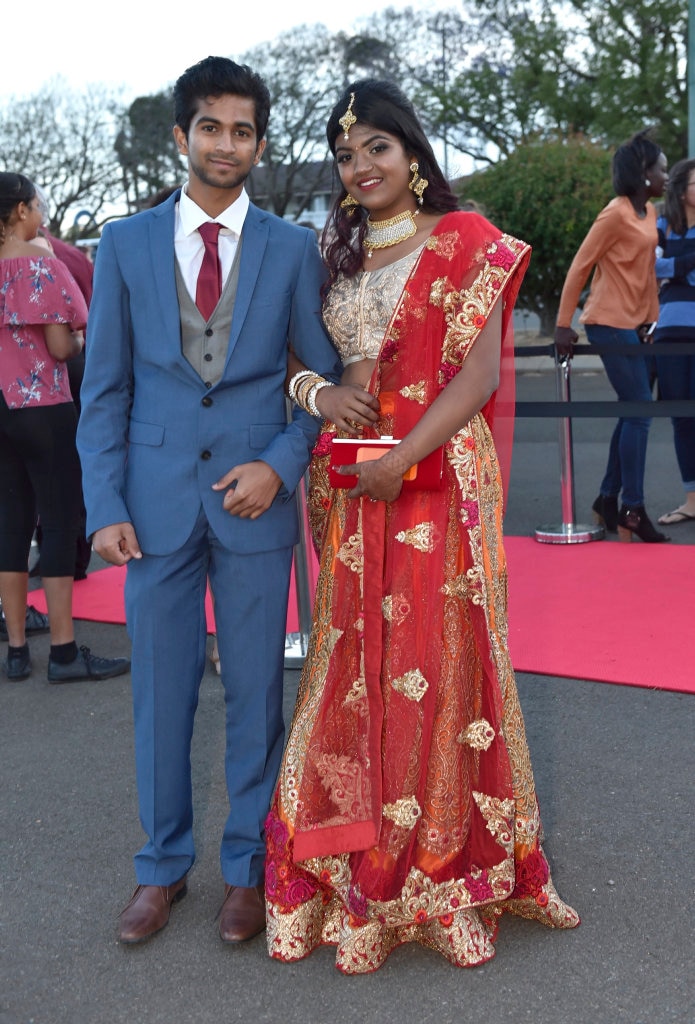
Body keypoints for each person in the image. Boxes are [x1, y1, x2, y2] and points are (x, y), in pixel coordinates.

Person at [264, 79, 579, 974]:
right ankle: (357, 852)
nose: (359, 167)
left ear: (412, 154)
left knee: (438, 664)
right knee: (354, 663)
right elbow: (292, 351)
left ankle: (440, 863)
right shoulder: (335, 252)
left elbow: (478, 377)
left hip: (436, 477)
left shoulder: (465, 240)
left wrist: (404, 459)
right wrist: (314, 392)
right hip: (353, 483)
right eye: (345, 154)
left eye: (376, 149)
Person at [76, 56, 342, 946]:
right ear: (182, 135)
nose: (226, 144)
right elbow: (103, 390)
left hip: (254, 504)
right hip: (149, 508)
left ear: (260, 143)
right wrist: (103, 502)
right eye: (211, 127)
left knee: (257, 692)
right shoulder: (124, 244)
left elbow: (316, 378)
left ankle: (247, 868)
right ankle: (161, 869)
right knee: (159, 692)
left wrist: (279, 461)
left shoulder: (291, 247)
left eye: (242, 130)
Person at [0, 172, 130, 684]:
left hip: (0, 407)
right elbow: (60, 346)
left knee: (10, 522)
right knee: (58, 519)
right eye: (37, 204)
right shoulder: (40, 262)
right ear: (19, 212)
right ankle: (63, 650)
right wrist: (75, 348)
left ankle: (14, 650)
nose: (42, 214)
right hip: (43, 404)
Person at [554, 130, 669, 542]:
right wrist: (564, 324)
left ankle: (607, 499)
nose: (666, 175)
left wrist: (651, 320)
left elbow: (646, 273)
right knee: (639, 411)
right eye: (660, 167)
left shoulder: (650, 211)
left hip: (634, 323)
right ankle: (631, 508)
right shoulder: (615, 213)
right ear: (642, 172)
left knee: (632, 410)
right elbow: (580, 266)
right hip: (606, 319)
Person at [650, 157, 695, 524]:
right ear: (681, 188)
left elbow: (667, 269)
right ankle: (692, 501)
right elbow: (651, 267)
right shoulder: (662, 223)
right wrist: (685, 265)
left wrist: (675, 267)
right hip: (669, 328)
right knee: (682, 418)